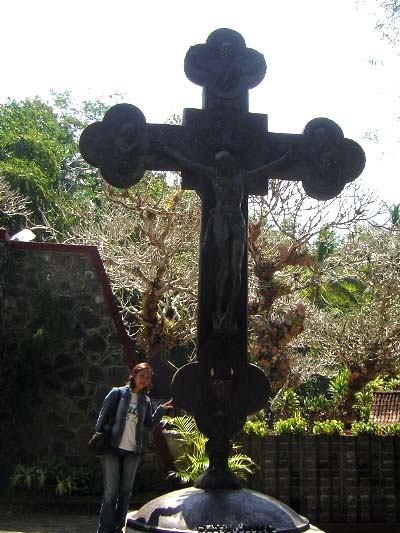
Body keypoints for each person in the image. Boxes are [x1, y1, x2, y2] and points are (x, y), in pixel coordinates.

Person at [155, 142, 294, 330]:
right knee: (225, 265)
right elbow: (189, 163)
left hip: (237, 222)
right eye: (218, 163)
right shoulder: (214, 174)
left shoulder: (241, 176)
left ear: (229, 163)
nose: (220, 166)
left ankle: (230, 311)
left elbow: (264, 169)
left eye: (223, 163)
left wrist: (286, 157)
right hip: (221, 222)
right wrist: (166, 149)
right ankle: (219, 308)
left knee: (236, 267)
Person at [95, 362, 173, 533]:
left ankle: (118, 528)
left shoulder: (145, 401)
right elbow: (102, 417)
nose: (144, 380)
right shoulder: (118, 393)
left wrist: (160, 411)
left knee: (125, 492)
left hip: (132, 451)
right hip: (112, 448)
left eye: (147, 377)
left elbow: (148, 425)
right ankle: (106, 529)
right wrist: (98, 443)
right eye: (141, 376)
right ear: (134, 375)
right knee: (110, 492)